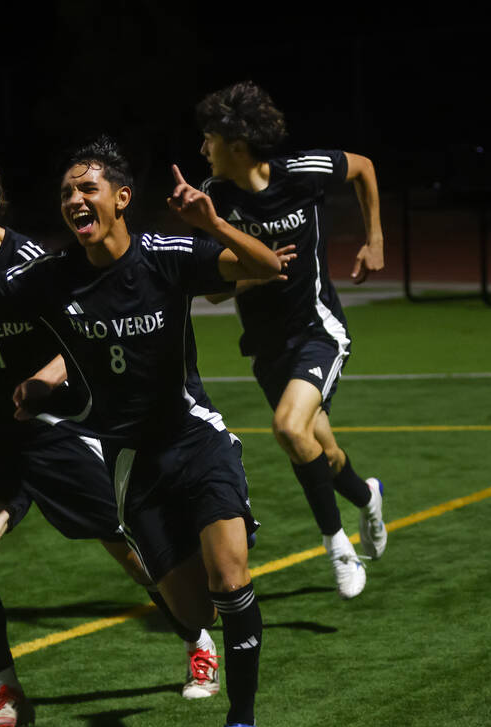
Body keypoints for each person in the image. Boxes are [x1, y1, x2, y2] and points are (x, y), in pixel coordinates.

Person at [0, 136, 282, 727]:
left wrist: (212, 223)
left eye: (87, 189)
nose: (75, 199)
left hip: (128, 435)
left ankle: (220, 682)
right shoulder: (25, 276)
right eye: (66, 192)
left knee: (189, 567)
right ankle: (9, 690)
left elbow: (266, 268)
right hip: (60, 448)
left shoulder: (111, 259)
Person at [195, 80, 387, 599]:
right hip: (265, 345)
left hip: (318, 330)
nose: (202, 148)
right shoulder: (213, 200)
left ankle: (337, 546)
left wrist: (374, 241)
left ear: (236, 146)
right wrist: (255, 273)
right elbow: (210, 292)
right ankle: (367, 496)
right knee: (320, 452)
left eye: (209, 138)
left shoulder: (301, 172)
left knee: (286, 427)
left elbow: (364, 167)